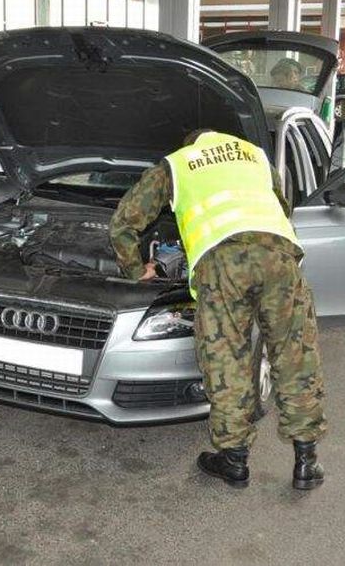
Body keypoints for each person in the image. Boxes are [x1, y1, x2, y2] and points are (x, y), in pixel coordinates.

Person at [109, 129, 327, 489]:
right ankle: (307, 461)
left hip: (224, 263)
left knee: (226, 358)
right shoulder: (255, 156)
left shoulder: (177, 164)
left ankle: (234, 461)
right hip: (280, 258)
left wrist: (136, 268)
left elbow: (124, 222)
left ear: (189, 143)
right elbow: (280, 207)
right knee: (296, 355)